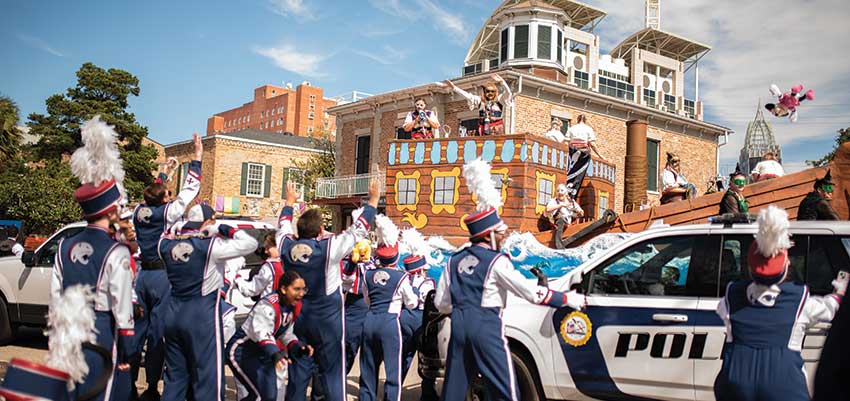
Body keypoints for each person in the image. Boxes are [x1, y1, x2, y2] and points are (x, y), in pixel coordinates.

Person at [434, 159, 586, 401]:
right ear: (488, 235)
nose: (503, 234)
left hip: (460, 326)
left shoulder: (453, 261)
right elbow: (530, 292)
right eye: (499, 231)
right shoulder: (497, 261)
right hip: (487, 327)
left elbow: (442, 303)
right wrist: (566, 298)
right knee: (505, 391)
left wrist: (464, 310)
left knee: (453, 391)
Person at [714, 206, 846, 401]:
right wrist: (840, 292)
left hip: (735, 383)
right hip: (784, 385)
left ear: (750, 268)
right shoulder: (800, 300)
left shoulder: (731, 297)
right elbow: (830, 308)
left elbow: (723, 309)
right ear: (786, 267)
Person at [50, 116, 135, 401]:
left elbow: (55, 297)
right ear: (112, 211)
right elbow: (122, 308)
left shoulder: (63, 246)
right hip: (100, 330)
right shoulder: (115, 251)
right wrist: (126, 347)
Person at [280, 180, 379, 401]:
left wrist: (289, 202)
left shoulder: (285, 246)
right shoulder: (329, 248)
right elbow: (358, 230)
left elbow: (283, 225)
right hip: (327, 322)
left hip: (298, 319)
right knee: (333, 374)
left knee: (297, 375)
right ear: (321, 231)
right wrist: (372, 201)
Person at [158, 204, 258, 401]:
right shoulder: (211, 247)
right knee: (208, 377)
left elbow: (165, 232)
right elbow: (250, 244)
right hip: (201, 314)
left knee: (175, 378)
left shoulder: (165, 246)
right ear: (207, 222)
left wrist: (182, 227)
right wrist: (225, 229)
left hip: (173, 311)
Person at [131, 133, 202, 401]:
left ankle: (128, 386)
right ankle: (151, 387)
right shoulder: (167, 212)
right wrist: (196, 157)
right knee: (158, 335)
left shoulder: (138, 210)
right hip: (162, 276)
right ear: (164, 200)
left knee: (136, 332)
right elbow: (190, 191)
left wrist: (164, 173)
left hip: (141, 277)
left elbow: (153, 193)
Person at [358, 215, 419, 401]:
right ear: (396, 257)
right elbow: (412, 303)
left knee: (368, 368)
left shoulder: (368, 275)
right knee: (393, 370)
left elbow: (367, 299)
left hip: (370, 321)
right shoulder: (401, 277)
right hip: (390, 323)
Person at [227, 270, 313, 401]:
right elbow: (262, 333)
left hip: (263, 353)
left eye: (303, 289)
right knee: (257, 395)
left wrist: (298, 347)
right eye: (296, 289)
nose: (301, 294)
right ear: (283, 289)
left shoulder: (292, 306)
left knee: (270, 396)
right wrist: (275, 353)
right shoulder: (268, 304)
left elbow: (285, 334)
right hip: (241, 352)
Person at [399, 254, 437, 400]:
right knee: (426, 358)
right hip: (421, 320)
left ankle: (393, 391)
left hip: (404, 317)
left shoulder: (404, 280)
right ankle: (428, 394)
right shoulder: (428, 282)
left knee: (403, 357)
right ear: (421, 270)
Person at [341, 236, 373, 375]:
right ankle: (341, 377)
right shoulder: (347, 263)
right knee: (349, 346)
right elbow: (346, 280)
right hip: (354, 305)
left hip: (370, 307)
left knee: (368, 353)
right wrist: (352, 263)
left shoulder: (372, 263)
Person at [443, 74, 513, 136]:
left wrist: (502, 82)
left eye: (492, 91)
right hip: (483, 130)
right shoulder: (480, 101)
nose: (490, 93)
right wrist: (454, 88)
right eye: (488, 91)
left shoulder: (499, 100)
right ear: (484, 92)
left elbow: (508, 93)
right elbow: (467, 96)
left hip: (497, 130)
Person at [565, 115, 606, 199]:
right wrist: (600, 155)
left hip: (572, 151)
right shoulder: (588, 129)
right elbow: (592, 144)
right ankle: (573, 191)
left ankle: (569, 188)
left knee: (570, 171)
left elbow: (566, 141)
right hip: (584, 152)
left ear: (577, 120)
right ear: (585, 120)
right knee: (579, 172)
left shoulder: (572, 128)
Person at [236, 233, 284, 300]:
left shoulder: (269, 267)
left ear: (277, 245)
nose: (266, 251)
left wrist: (238, 279)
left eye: (268, 248)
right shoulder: (291, 263)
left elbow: (251, 290)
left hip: (270, 307)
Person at [544, 183, 584, 249]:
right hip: (558, 222)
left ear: (566, 193)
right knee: (561, 220)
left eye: (562, 190)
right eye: (558, 191)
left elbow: (581, 212)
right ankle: (559, 245)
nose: (560, 192)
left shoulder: (571, 202)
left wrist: (580, 212)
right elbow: (547, 209)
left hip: (569, 222)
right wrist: (561, 205)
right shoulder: (554, 201)